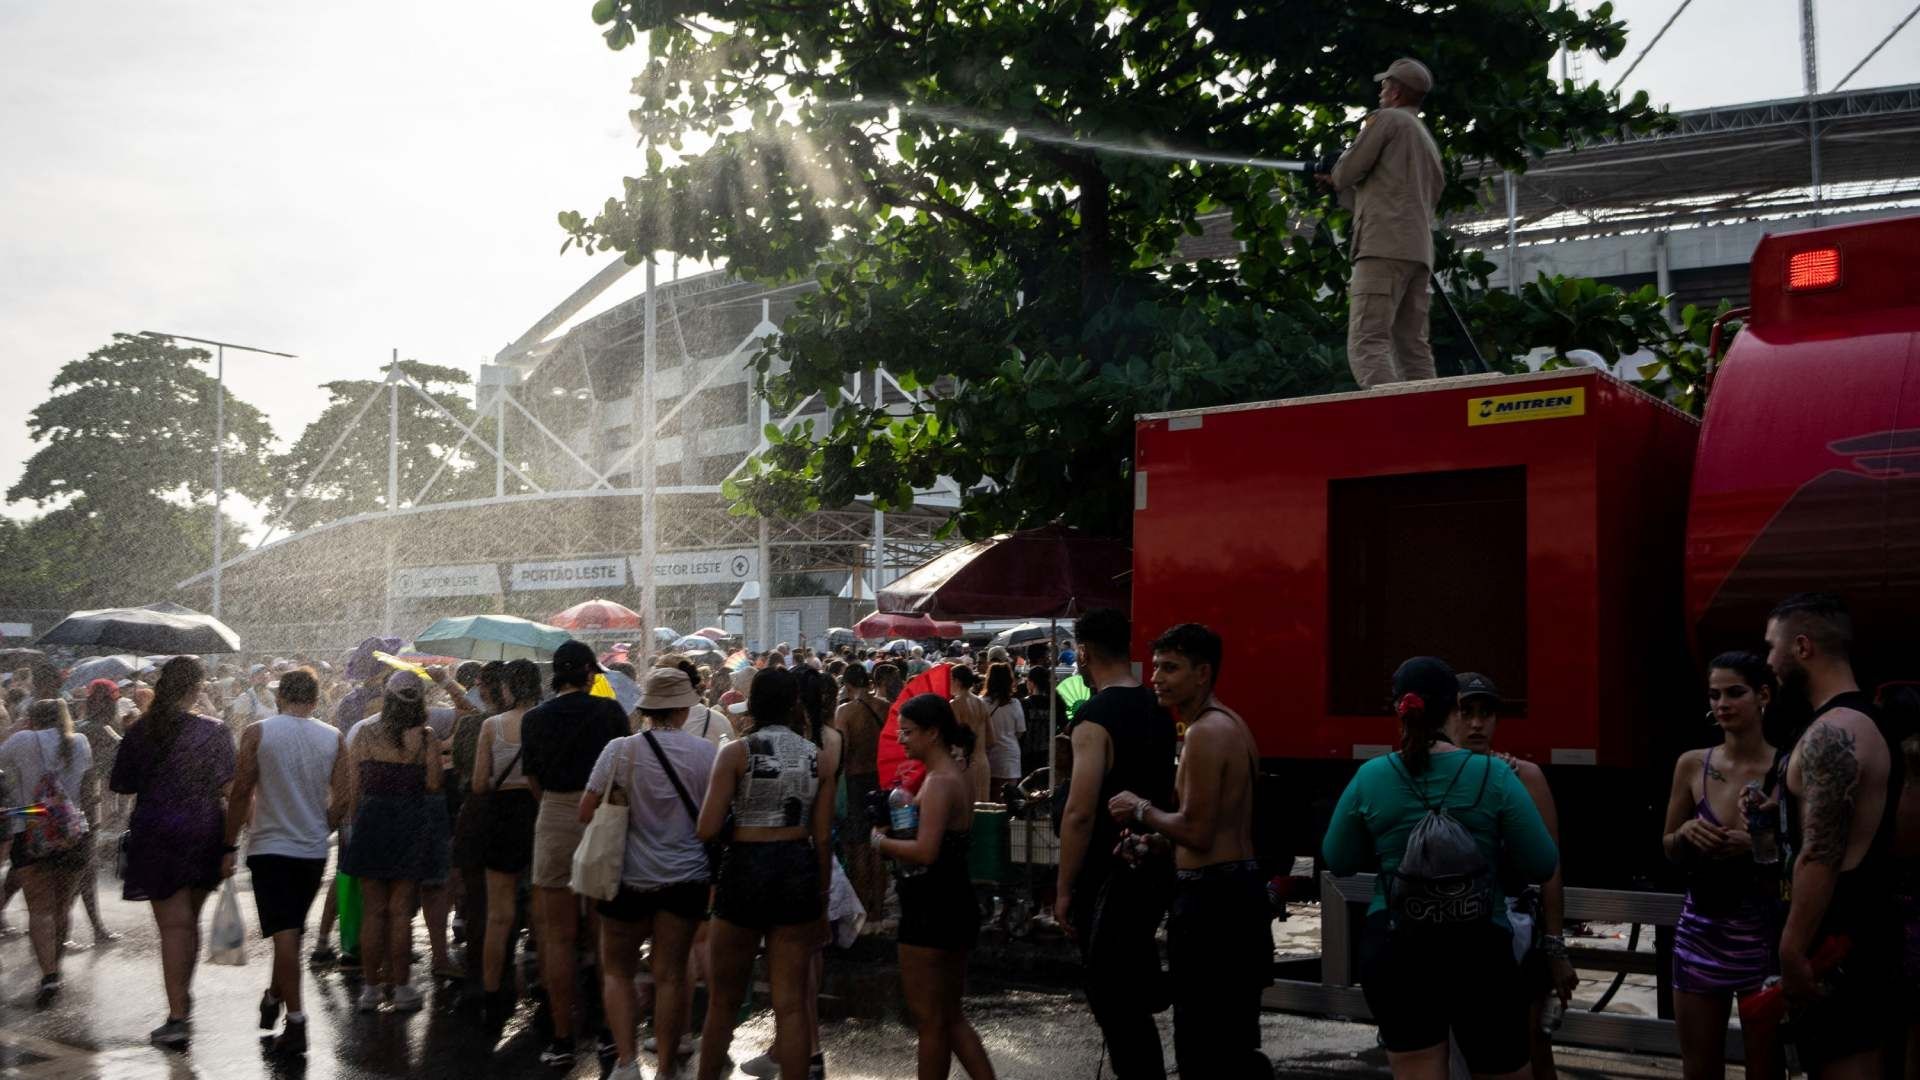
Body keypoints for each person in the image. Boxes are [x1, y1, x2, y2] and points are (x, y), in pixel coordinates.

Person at [1323, 656, 1558, 1080]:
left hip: (1396, 948)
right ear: (1454, 708)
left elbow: (1338, 859)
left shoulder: (1372, 775)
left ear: (1399, 711)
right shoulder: (1495, 774)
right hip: (1479, 949)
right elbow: (1542, 862)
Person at [1107, 624, 1271, 1078]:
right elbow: (1214, 827)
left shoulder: (1204, 733)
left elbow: (1198, 832)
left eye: (1171, 667)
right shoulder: (1231, 723)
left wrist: (1139, 810)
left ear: (1203, 673)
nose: (1157, 677)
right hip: (1238, 893)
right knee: (1235, 1044)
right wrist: (1159, 840)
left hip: (1212, 905)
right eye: (1157, 666)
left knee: (1202, 1047)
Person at [1769, 593, 1902, 1078]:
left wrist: (1791, 949)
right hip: (1854, 938)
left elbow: (1820, 854)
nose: (1769, 662)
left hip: (1840, 945)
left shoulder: (1835, 730)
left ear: (1802, 647)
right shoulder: (1856, 722)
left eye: (1772, 647)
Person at [1052, 608, 1176, 1079]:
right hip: (1151, 863)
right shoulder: (1157, 708)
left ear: (1083, 652)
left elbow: (1080, 811)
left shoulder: (1093, 716)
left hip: (1106, 875)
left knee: (1114, 1002)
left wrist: (1063, 889)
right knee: (1130, 997)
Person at [695, 667, 835, 1080]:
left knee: (723, 999)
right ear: (795, 704)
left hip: (745, 867)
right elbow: (823, 837)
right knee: (790, 1002)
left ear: (753, 704)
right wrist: (823, 896)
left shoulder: (737, 752)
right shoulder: (819, 758)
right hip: (797, 868)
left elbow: (706, 827)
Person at [584, 667, 720, 1080]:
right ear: (683, 709)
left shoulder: (619, 751)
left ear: (646, 709)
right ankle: (665, 1068)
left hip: (625, 879)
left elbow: (585, 811)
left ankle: (626, 1064)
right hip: (686, 879)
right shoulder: (706, 754)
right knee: (671, 976)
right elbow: (715, 820)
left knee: (618, 971)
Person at [1444, 673, 1580, 1080]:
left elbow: (1550, 868)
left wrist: (1555, 948)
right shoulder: (1431, 776)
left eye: (1486, 714)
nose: (1477, 724)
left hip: (1515, 931)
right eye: (1466, 712)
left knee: (1530, 1046)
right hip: (1446, 932)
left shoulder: (1523, 776)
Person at [1656, 653, 1786, 1080]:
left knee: (1765, 1067)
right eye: (1714, 695)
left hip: (1763, 938)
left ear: (1763, 695)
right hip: (1701, 931)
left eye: (1735, 692)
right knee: (1699, 1067)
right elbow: (1668, 847)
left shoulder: (1786, 768)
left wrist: (1756, 845)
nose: (1722, 704)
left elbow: (1807, 855)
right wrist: (1688, 834)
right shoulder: (1693, 763)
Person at [109, 655, 237, 1049]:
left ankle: (177, 1014)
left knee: (174, 927)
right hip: (203, 829)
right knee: (189, 922)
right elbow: (231, 790)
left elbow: (122, 786)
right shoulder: (214, 732)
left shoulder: (142, 730)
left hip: (157, 829)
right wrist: (232, 844)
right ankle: (183, 997)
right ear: (197, 689)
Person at [871, 694, 996, 1080]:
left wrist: (881, 843)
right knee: (949, 1017)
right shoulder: (952, 774)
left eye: (908, 732)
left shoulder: (941, 781)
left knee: (930, 1021)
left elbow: (925, 851)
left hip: (932, 907)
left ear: (933, 732)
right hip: (951, 900)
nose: (901, 739)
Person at [224, 668, 349, 1056]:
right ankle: (273, 997)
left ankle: (296, 1025)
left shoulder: (258, 733)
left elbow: (242, 790)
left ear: (279, 697)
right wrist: (320, 826)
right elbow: (345, 797)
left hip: (269, 849)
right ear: (316, 700)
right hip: (312, 852)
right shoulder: (333, 738)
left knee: (287, 936)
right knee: (290, 934)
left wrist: (227, 843)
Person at [522, 640, 630, 1067]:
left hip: (553, 812)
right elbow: (621, 770)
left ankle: (562, 1038)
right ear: (588, 673)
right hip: (602, 813)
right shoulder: (610, 713)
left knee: (557, 937)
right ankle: (608, 1031)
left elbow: (533, 779)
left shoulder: (534, 718)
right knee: (603, 932)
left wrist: (555, 804)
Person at [1316, 56, 1444, 389]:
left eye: (1385, 85)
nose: (1381, 91)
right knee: (1412, 348)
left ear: (1397, 92)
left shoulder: (1387, 120)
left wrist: (1336, 170)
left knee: (1367, 340)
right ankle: (1429, 417)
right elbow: (1382, 195)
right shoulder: (1426, 142)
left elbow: (1348, 170)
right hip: (1418, 253)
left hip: (1382, 249)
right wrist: (1337, 187)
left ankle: (1393, 417)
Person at [340, 670, 450, 1013]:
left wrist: (352, 824)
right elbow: (433, 784)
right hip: (409, 821)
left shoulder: (366, 733)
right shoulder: (426, 737)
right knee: (401, 911)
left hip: (372, 821)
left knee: (374, 910)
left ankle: (371, 990)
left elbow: (354, 787)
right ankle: (401, 988)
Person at [0, 698, 92, 1006]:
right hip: (73, 835)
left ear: (32, 718)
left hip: (31, 833)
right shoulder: (80, 742)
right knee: (62, 907)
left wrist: (13, 728)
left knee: (40, 910)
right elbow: (88, 790)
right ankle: (57, 964)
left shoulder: (22, 740)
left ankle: (49, 975)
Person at [471, 658, 543, 1024]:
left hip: (500, 818)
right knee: (543, 912)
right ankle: (547, 989)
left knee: (499, 916)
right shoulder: (547, 721)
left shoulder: (492, 725)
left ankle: (492, 994)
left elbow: (480, 784)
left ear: (507, 687)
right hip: (539, 816)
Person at [835, 662, 889, 919]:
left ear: (846, 685)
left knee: (856, 846)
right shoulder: (885, 707)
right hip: (881, 780)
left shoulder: (845, 712)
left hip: (855, 781)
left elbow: (842, 752)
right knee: (878, 845)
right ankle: (878, 907)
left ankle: (862, 909)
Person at [72, 679, 121, 939]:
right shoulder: (101, 730)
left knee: (79, 871)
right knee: (83, 870)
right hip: (86, 808)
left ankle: (94, 927)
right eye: (114, 703)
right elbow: (126, 755)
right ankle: (94, 928)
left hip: (74, 805)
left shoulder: (80, 727)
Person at [946, 666, 992, 804]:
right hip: (983, 763)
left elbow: (953, 739)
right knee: (982, 812)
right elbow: (991, 738)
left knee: (966, 814)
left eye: (950, 680)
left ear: (957, 681)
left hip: (965, 764)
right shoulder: (981, 703)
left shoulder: (955, 704)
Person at [982, 662, 1026, 802]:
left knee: (991, 799)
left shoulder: (981, 703)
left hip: (989, 755)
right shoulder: (1015, 704)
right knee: (1009, 799)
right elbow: (1020, 731)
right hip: (1010, 755)